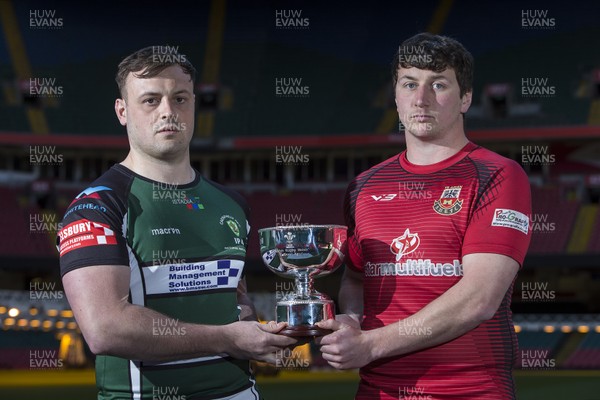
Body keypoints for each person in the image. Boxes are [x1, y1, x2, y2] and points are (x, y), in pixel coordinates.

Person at [57, 46, 296, 400]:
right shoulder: (97, 207)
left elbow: (236, 299)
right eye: (150, 100)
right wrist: (229, 339)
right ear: (122, 112)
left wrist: (257, 329)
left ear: (194, 104)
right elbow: (104, 330)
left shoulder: (232, 204)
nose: (168, 112)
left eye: (180, 98)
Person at [317, 33, 532, 399]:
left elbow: (479, 298)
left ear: (465, 98)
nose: (421, 98)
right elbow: (356, 277)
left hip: (470, 391)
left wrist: (370, 345)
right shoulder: (363, 187)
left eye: (439, 84)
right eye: (410, 84)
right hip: (377, 391)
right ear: (396, 97)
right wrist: (351, 318)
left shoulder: (498, 175)